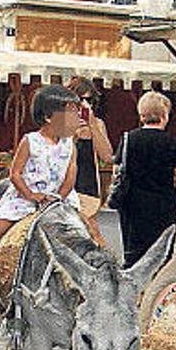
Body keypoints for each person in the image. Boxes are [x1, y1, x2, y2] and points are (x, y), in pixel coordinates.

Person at [0, 85, 83, 286]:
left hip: (59, 198)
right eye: (70, 112)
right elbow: (15, 173)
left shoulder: (69, 143)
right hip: (26, 196)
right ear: (49, 117)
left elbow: (71, 173)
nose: (76, 118)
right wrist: (31, 195)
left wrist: (60, 197)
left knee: (86, 227)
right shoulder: (31, 141)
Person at [116, 91, 176, 267]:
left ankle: (135, 291)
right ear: (165, 115)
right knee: (162, 255)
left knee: (133, 255)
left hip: (132, 203)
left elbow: (117, 170)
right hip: (163, 204)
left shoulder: (128, 139)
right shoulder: (171, 142)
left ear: (141, 116)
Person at [66, 77, 112, 246]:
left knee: (91, 234)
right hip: (65, 187)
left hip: (88, 187)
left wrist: (92, 126)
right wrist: (72, 133)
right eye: (80, 100)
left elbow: (107, 156)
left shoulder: (97, 124)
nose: (85, 104)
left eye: (89, 100)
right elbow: (56, 154)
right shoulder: (60, 123)